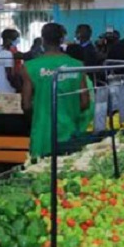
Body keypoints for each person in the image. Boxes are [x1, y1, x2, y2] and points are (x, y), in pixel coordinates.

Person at [22, 23, 90, 158]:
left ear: (42, 40)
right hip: (70, 131)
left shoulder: (30, 67)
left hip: (42, 132)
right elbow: (85, 102)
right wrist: (69, 110)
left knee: (40, 173)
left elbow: (26, 105)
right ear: (62, 40)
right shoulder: (77, 65)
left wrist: (38, 117)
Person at [0, 28, 20, 94]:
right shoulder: (7, 54)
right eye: (16, 38)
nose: (18, 40)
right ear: (9, 40)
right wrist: (18, 87)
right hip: (7, 89)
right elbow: (9, 75)